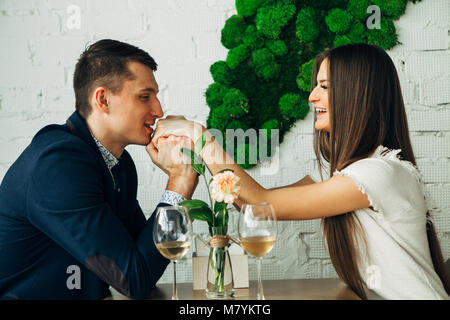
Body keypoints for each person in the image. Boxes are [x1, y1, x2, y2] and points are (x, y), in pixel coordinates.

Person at [152, 43, 450, 300]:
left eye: (325, 87)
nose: (312, 97)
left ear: (357, 95)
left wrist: (198, 135)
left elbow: (257, 201)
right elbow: (257, 208)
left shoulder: (379, 174)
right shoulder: (346, 174)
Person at [0, 39, 198, 299]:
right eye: (144, 97)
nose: (159, 110)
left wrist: (179, 184)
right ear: (103, 99)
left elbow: (143, 265)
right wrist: (179, 185)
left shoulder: (120, 165)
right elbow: (133, 280)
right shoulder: (59, 164)